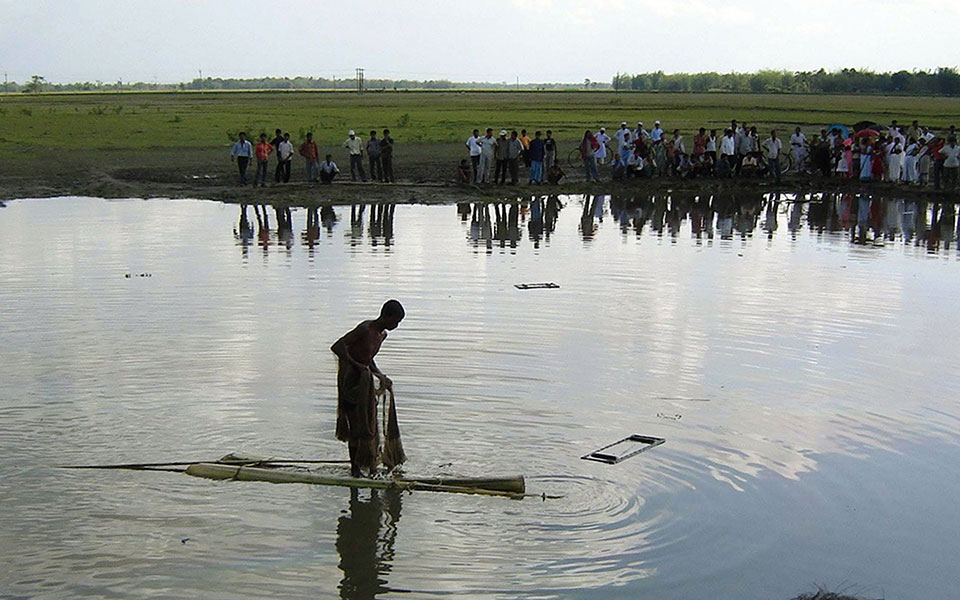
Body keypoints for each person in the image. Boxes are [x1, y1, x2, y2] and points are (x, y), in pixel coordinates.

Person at [330, 300, 406, 478]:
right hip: (351, 381)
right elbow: (338, 346)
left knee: (369, 423)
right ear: (386, 316)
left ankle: (371, 465)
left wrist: (380, 376)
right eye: (395, 321)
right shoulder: (366, 329)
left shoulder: (382, 335)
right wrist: (356, 366)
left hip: (365, 381)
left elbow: (368, 358)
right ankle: (355, 469)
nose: (396, 326)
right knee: (356, 425)